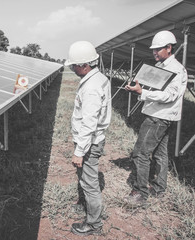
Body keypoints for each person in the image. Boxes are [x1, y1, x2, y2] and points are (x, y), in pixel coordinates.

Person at [124, 30, 188, 205]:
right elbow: (153, 91)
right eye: (153, 49)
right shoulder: (160, 67)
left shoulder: (176, 69)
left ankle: (140, 192)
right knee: (160, 154)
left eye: (157, 49)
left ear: (169, 48)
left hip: (158, 118)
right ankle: (159, 189)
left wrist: (142, 92)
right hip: (159, 115)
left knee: (140, 154)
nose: (154, 52)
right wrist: (139, 89)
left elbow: (170, 96)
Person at [64, 41, 112, 236]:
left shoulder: (91, 87)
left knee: (90, 184)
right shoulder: (99, 78)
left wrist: (79, 151)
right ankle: (85, 206)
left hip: (89, 142)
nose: (73, 68)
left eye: (74, 65)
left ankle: (94, 224)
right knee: (84, 178)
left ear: (84, 65)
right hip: (93, 140)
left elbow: (89, 124)